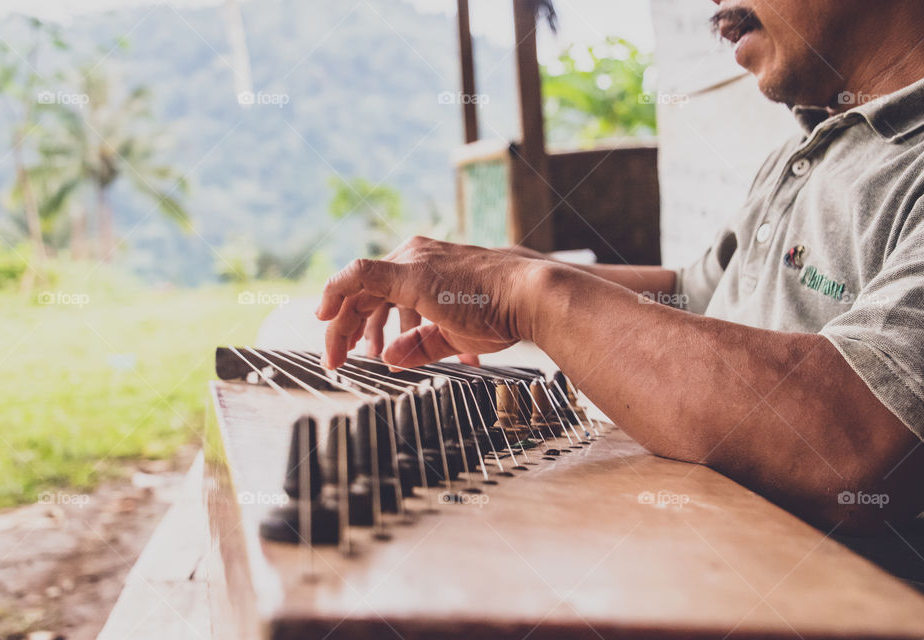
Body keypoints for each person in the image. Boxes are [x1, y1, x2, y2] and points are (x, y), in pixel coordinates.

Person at [315, 0, 924, 534]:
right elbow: (692, 297)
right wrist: (505, 273)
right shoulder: (807, 147)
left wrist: (533, 297)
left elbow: (862, 442)